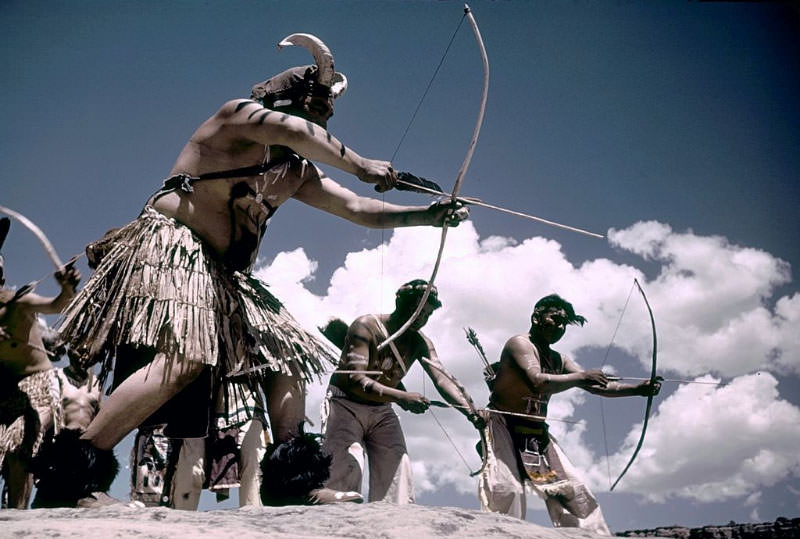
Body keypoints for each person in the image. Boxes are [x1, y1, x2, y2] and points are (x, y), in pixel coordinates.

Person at [36, 33, 467, 507]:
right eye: (318, 103)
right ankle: (72, 476)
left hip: (226, 278)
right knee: (186, 356)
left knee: (285, 352)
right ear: (290, 100)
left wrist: (427, 215)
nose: (327, 114)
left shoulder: (297, 170)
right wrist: (362, 163)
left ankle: (292, 483)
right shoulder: (237, 116)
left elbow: (358, 210)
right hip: (173, 250)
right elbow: (299, 133)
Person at [478, 294, 661, 535]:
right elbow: (537, 381)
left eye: (565, 323)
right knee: (507, 490)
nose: (561, 326)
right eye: (556, 319)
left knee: (575, 493)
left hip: (536, 433)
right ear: (536, 317)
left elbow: (597, 386)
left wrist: (638, 389)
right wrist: (582, 377)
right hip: (502, 424)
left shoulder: (558, 359)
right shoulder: (519, 344)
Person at [320, 279, 483, 504]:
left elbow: (442, 378)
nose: (421, 319)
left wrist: (470, 411)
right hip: (345, 404)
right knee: (346, 464)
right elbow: (356, 378)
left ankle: (394, 525)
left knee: (398, 469)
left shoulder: (419, 342)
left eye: (427, 315)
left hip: (381, 409)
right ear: (400, 302)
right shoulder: (366, 326)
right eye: (417, 311)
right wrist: (402, 397)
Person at [0, 217, 81, 509]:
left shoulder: (17, 303)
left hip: (37, 386)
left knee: (19, 442)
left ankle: (18, 514)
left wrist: (67, 289)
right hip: (4, 388)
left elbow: (56, 305)